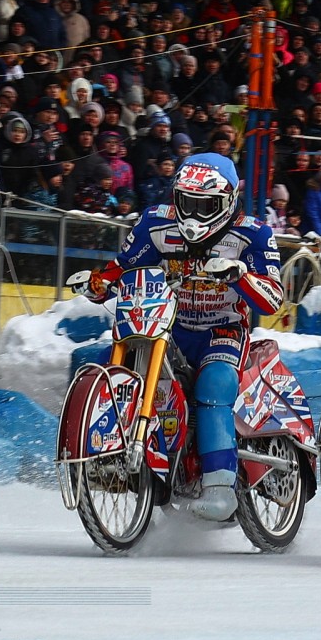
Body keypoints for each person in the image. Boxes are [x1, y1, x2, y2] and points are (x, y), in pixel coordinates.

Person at [82, 153, 283, 521]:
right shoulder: (154, 223)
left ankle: (220, 487)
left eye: (205, 205)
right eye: (187, 203)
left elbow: (273, 298)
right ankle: (108, 452)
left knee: (215, 383)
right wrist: (98, 284)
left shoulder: (254, 233)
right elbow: (123, 267)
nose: (193, 214)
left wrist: (240, 275)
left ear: (227, 202)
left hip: (222, 329)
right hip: (165, 323)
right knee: (115, 365)